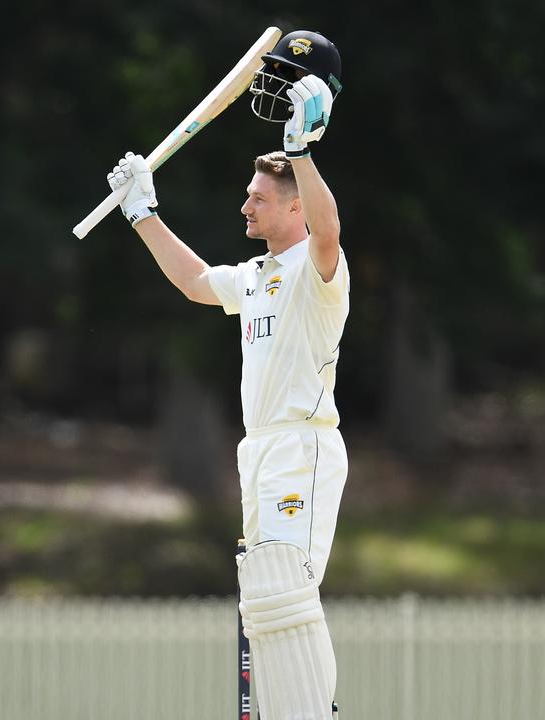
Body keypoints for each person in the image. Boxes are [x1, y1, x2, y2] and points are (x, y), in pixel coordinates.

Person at [106, 30, 346, 720]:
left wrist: (300, 155)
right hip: (261, 450)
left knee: (282, 592)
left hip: (303, 445)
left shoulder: (317, 271)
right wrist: (141, 211)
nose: (245, 207)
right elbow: (195, 282)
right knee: (269, 604)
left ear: (294, 205)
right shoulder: (258, 276)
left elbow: (328, 233)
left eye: (259, 199)